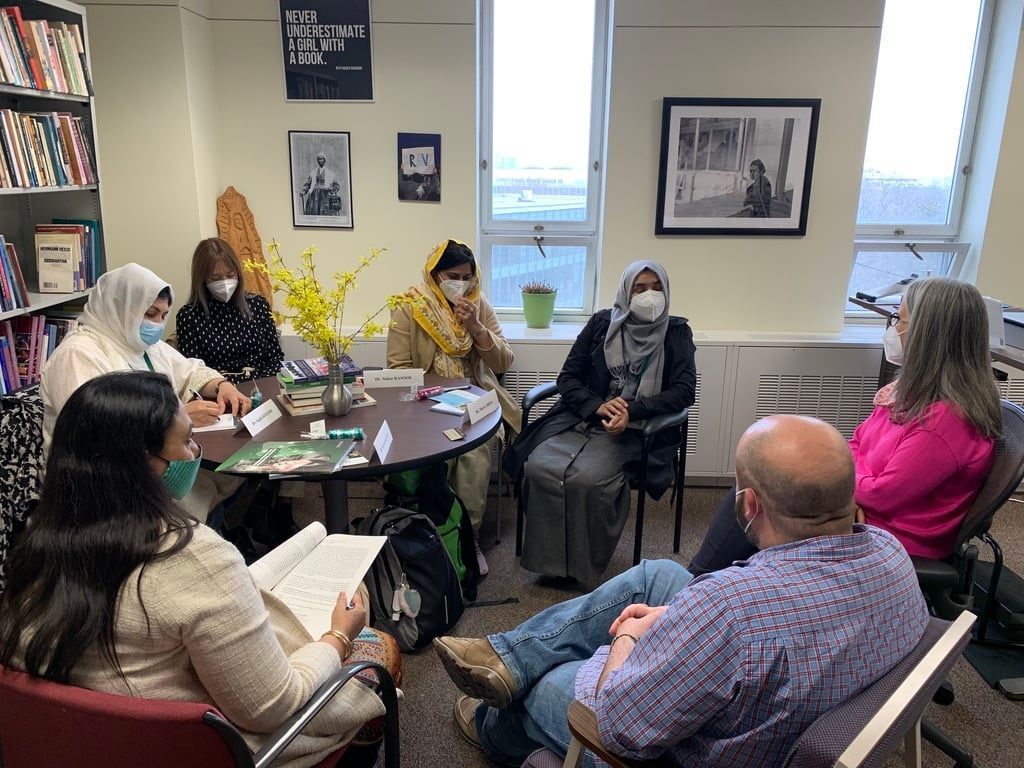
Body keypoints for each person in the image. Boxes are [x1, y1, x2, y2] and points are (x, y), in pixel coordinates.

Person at [433, 415, 930, 767]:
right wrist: (675, 623)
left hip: (676, 750)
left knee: (553, 681)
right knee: (659, 575)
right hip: (798, 684)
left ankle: (491, 726)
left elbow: (618, 724)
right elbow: (735, 621)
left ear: (749, 504)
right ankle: (508, 657)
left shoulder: (729, 610)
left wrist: (629, 638)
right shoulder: (890, 551)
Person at [0, 371, 398, 768]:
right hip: (205, 749)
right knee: (377, 651)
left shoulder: (35, 546)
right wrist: (338, 638)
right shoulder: (192, 556)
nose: (196, 451)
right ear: (146, 464)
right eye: (189, 440)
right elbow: (272, 707)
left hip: (89, 746)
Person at [690, 276, 1001, 574]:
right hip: (857, 509)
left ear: (928, 335)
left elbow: (883, 493)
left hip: (892, 536)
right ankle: (705, 587)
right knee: (757, 488)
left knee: (760, 497)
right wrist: (845, 493)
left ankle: (696, 588)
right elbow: (852, 445)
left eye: (899, 320)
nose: (893, 329)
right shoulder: (910, 394)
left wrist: (841, 493)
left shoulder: (947, 420)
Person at [505, 261, 696, 583]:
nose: (649, 295)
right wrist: (598, 406)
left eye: (656, 287)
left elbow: (683, 391)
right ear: (625, 291)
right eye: (639, 287)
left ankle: (582, 568)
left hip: (637, 430)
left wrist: (631, 411)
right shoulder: (601, 323)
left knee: (588, 479)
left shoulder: (676, 332)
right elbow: (568, 378)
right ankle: (550, 565)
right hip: (581, 417)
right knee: (539, 468)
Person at [40, 262, 252, 523]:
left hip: (154, 460)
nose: (157, 324)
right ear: (119, 307)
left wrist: (222, 385)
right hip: (104, 481)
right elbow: (100, 430)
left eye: (163, 316)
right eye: (150, 314)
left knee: (231, 474)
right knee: (207, 486)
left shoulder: (138, 343)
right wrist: (177, 418)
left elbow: (189, 370)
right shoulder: (78, 355)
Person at [387, 238, 521, 576]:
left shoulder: (478, 304)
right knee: (434, 450)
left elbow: (504, 359)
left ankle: (466, 535)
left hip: (475, 400)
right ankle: (426, 528)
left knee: (473, 451)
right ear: (434, 275)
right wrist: (434, 392)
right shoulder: (409, 307)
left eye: (467, 276)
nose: (460, 284)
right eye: (452, 275)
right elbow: (397, 369)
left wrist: (476, 328)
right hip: (424, 402)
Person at [175, 238, 284, 382]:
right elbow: (195, 374)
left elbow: (275, 358)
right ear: (202, 279)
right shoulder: (189, 316)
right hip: (219, 392)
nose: (225, 282)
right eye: (215, 278)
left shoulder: (258, 305)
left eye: (230, 275)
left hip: (262, 383)